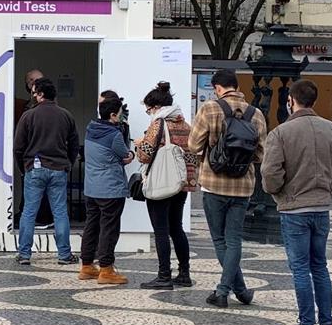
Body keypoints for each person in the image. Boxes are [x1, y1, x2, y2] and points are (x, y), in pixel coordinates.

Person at [261, 78, 332, 325]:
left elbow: (270, 173)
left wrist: (279, 192)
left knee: (300, 267)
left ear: (290, 100)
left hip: (294, 208)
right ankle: (327, 324)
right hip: (321, 207)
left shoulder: (281, 133)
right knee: (320, 266)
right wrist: (328, 189)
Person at [188, 68, 268, 309]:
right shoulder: (256, 113)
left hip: (213, 184)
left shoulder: (210, 108)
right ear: (237, 86)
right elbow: (261, 154)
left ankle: (223, 291)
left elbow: (193, 145)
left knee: (219, 239)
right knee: (234, 240)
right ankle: (241, 291)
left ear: (217, 88)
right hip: (243, 186)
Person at [133, 81, 197, 291]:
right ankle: (184, 274)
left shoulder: (158, 124)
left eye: (148, 109)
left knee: (160, 230)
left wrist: (139, 143)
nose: (149, 113)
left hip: (161, 184)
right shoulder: (185, 125)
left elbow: (145, 156)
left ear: (156, 107)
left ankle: (164, 276)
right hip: (182, 184)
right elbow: (193, 156)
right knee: (176, 228)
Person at [13, 75, 81, 267]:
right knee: (60, 212)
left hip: (34, 168)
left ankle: (24, 254)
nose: (33, 95)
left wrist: (24, 168)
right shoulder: (66, 115)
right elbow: (74, 144)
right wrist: (67, 163)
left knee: (29, 212)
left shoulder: (29, 116)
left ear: (41, 94)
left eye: (35, 93)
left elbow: (18, 147)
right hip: (59, 169)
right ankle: (64, 255)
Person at [80, 95, 134, 285]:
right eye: (119, 114)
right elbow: (125, 155)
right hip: (110, 189)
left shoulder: (90, 129)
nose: (121, 117)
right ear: (112, 115)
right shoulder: (114, 135)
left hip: (91, 188)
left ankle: (86, 265)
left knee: (91, 226)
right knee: (109, 229)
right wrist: (131, 154)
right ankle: (106, 269)